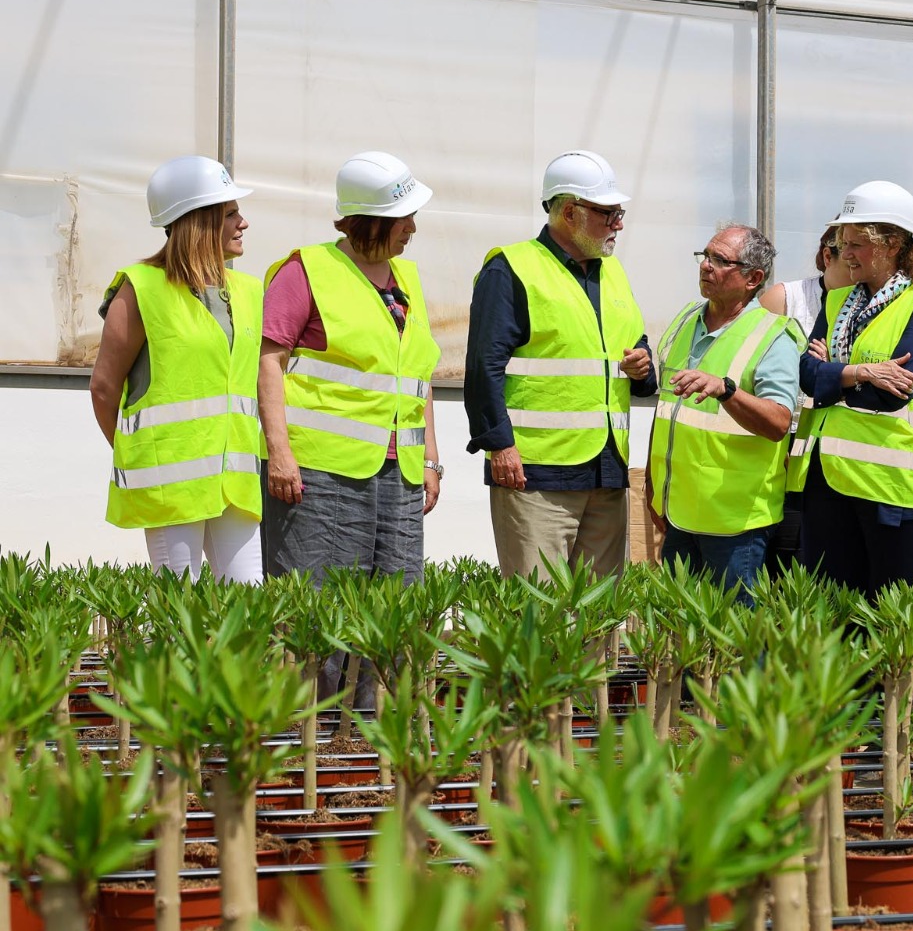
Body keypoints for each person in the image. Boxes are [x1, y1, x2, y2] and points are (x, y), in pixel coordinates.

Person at [258, 151, 442, 703]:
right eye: (403, 217)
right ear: (369, 221)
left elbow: (417, 376)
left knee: (392, 614)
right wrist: (279, 453)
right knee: (318, 614)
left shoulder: (407, 280)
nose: (413, 228)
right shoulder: (305, 272)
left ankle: (373, 736)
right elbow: (269, 363)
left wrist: (431, 459)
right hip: (321, 476)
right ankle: (309, 735)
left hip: (400, 476)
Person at [464, 150, 657, 580]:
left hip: (606, 471)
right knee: (539, 607)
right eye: (608, 214)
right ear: (570, 212)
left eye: (619, 213)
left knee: (600, 609)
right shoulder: (510, 269)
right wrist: (499, 446)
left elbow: (635, 346)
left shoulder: (613, 272)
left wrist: (644, 366)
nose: (618, 224)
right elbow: (483, 367)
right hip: (534, 475)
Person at [89, 155, 264, 583]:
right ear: (199, 221)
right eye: (230, 214)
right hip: (170, 484)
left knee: (248, 601)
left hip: (236, 482)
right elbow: (104, 388)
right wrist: (140, 456)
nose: (243, 223)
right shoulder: (141, 288)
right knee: (178, 609)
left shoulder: (249, 291)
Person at [792, 180, 913, 600]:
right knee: (834, 613)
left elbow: (890, 394)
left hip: (893, 492)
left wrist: (834, 372)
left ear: (892, 244)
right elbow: (806, 375)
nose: (845, 253)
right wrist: (862, 371)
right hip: (829, 484)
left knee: (894, 617)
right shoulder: (835, 301)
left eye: (856, 244)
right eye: (842, 243)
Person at [647, 225, 803, 599]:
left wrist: (727, 390)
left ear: (753, 279)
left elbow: (779, 422)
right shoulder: (685, 320)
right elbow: (665, 410)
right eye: (705, 256)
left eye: (720, 260)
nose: (706, 266)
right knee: (678, 628)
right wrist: (653, 487)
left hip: (735, 524)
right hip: (677, 513)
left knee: (734, 632)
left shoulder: (773, 336)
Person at [759, 230, 854, 570]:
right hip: (779, 448)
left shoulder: (869, 305)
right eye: (849, 259)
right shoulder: (787, 298)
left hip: (835, 454)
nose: (857, 269)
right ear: (828, 257)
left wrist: (831, 370)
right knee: (777, 558)